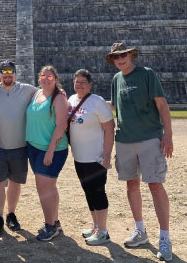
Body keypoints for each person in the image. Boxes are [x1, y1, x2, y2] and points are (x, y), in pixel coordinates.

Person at [106, 43, 173, 261]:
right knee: (131, 184)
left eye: (123, 55)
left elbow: (162, 105)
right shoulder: (116, 80)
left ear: (131, 55)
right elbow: (116, 107)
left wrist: (168, 135)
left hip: (149, 138)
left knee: (155, 185)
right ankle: (140, 230)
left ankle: (165, 237)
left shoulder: (147, 74)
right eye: (116, 57)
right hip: (124, 139)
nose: (120, 59)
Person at [0, 60, 37, 236]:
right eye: (4, 72)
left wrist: (59, 91)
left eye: (10, 72)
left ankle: (11, 214)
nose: (7, 75)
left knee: (15, 183)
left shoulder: (28, 89)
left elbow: (46, 94)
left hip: (20, 147)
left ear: (15, 73)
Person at [67, 69, 114, 245]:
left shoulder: (97, 102)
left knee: (98, 192)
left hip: (96, 157)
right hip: (79, 157)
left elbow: (109, 129)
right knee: (88, 192)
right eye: (77, 82)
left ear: (90, 85)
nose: (79, 85)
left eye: (83, 82)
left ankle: (103, 231)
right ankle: (96, 226)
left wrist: (107, 153)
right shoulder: (71, 99)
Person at [26, 66, 69, 241]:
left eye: (50, 77)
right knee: (49, 188)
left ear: (56, 79)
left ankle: (50, 226)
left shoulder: (58, 98)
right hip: (34, 147)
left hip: (52, 149)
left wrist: (50, 151)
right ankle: (55, 221)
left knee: (44, 189)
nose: (46, 79)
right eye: (43, 76)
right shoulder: (36, 94)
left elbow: (61, 125)